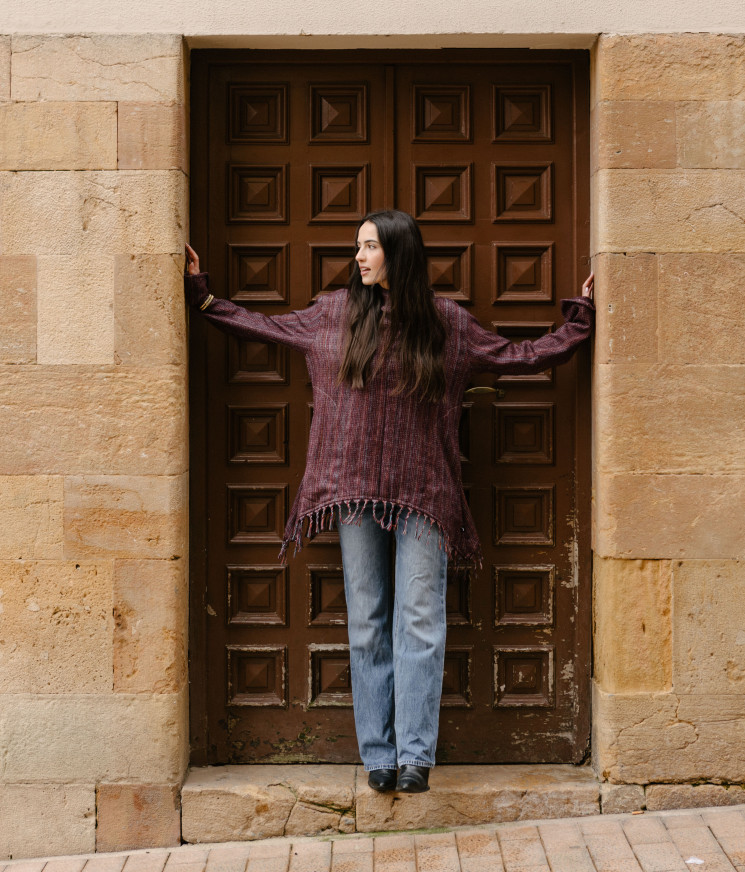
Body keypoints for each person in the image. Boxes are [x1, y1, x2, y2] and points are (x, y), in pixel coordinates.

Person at [184, 209, 594, 794]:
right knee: (368, 622)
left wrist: (579, 322)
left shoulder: (445, 324)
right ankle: (377, 754)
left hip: (423, 495)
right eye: (358, 247)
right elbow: (263, 328)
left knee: (421, 622)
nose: (359, 257)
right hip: (352, 494)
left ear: (398, 254)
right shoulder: (332, 316)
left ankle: (414, 757)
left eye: (370, 247)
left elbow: (519, 357)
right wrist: (203, 297)